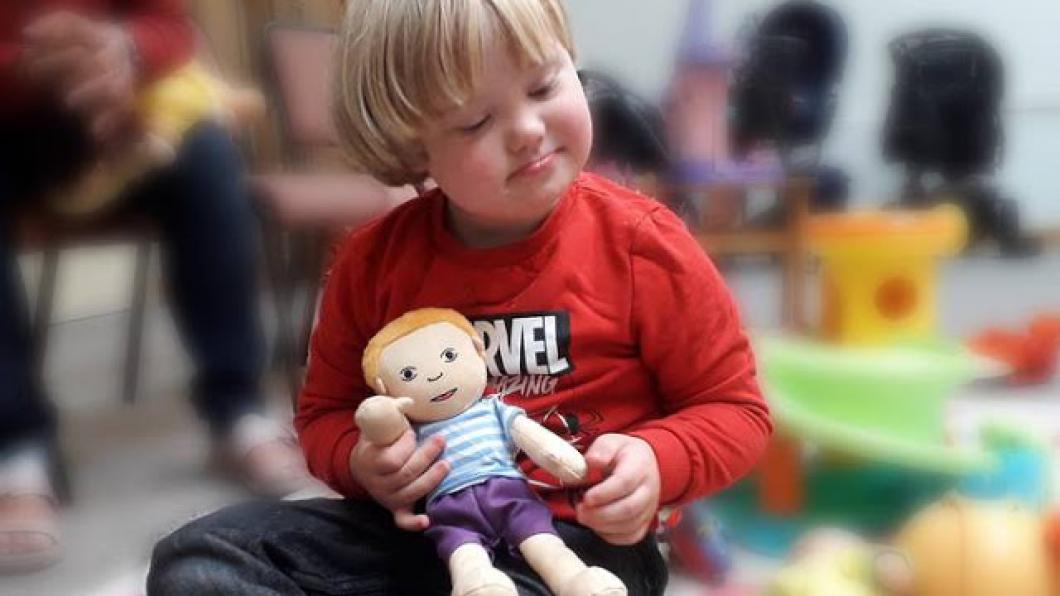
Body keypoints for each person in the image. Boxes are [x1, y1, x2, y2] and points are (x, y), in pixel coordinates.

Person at [147, 0, 773, 594]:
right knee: (199, 558)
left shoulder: (643, 245)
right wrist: (363, 464)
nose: (528, 130)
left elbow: (736, 409)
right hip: (425, 537)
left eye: (545, 85)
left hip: (579, 547)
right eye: (476, 120)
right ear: (413, 145)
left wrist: (657, 459)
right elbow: (323, 418)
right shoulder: (373, 262)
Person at [0, 0, 307, 571]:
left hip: (130, 113)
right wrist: (34, 66)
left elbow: (173, 27)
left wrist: (123, 48)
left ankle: (236, 406)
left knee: (211, 155)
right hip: (13, 122)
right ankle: (13, 446)